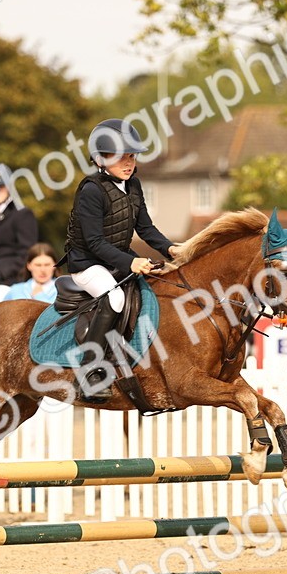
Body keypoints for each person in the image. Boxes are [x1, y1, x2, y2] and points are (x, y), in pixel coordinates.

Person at [64, 118, 181, 401]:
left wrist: (171, 249)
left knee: (156, 288)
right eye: (120, 157)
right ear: (100, 159)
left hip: (116, 258)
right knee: (114, 298)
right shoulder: (91, 190)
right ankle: (89, 372)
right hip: (86, 263)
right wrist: (131, 263)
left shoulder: (135, 185)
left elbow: (146, 229)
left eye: (132, 155)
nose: (128, 162)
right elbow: (94, 242)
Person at [0, 163, 38, 288]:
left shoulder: (22, 214)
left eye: (1, 187)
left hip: (12, 281)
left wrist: (0, 272)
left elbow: (27, 252)